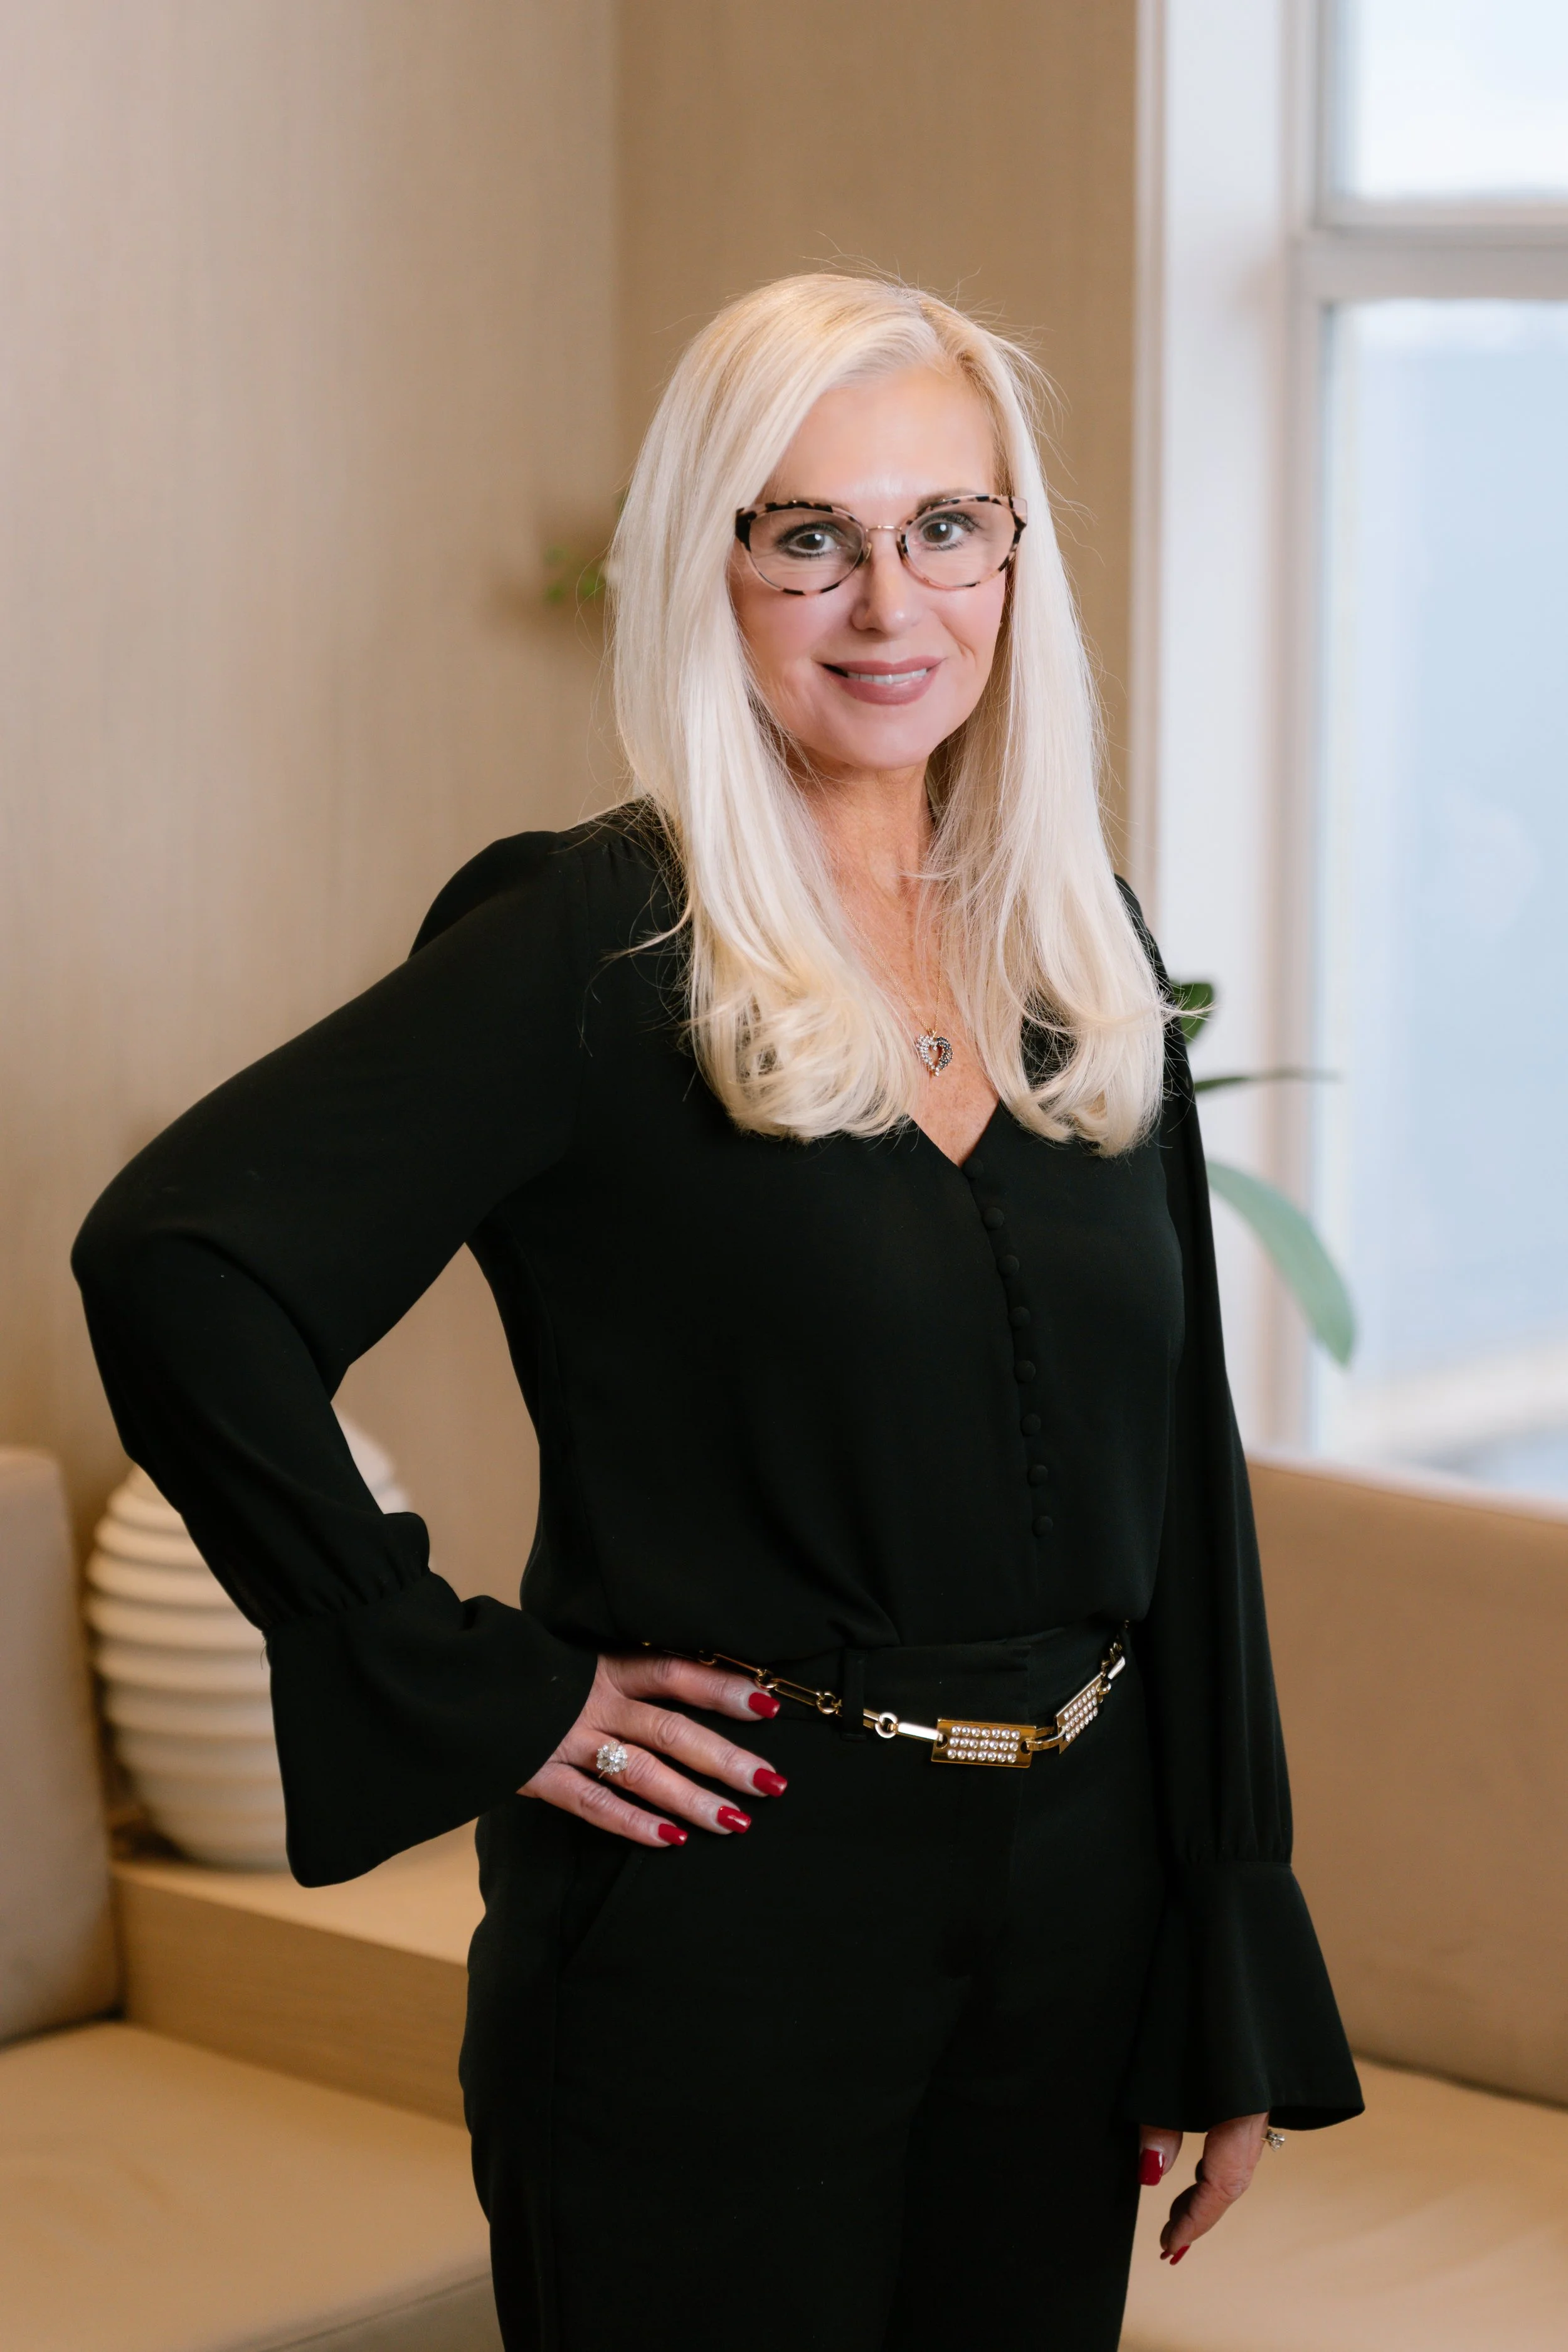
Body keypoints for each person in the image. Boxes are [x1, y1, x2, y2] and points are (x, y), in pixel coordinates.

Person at [73, 273, 1362, 2352]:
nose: (888, 602)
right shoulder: (590, 937)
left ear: (1014, 560)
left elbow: (1180, 1468)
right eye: (807, 535)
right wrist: (476, 1683)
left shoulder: (1077, 940)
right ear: (710, 564)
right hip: (723, 1923)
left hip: (1074, 1926)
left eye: (946, 526)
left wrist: (1222, 1939)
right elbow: (179, 1260)